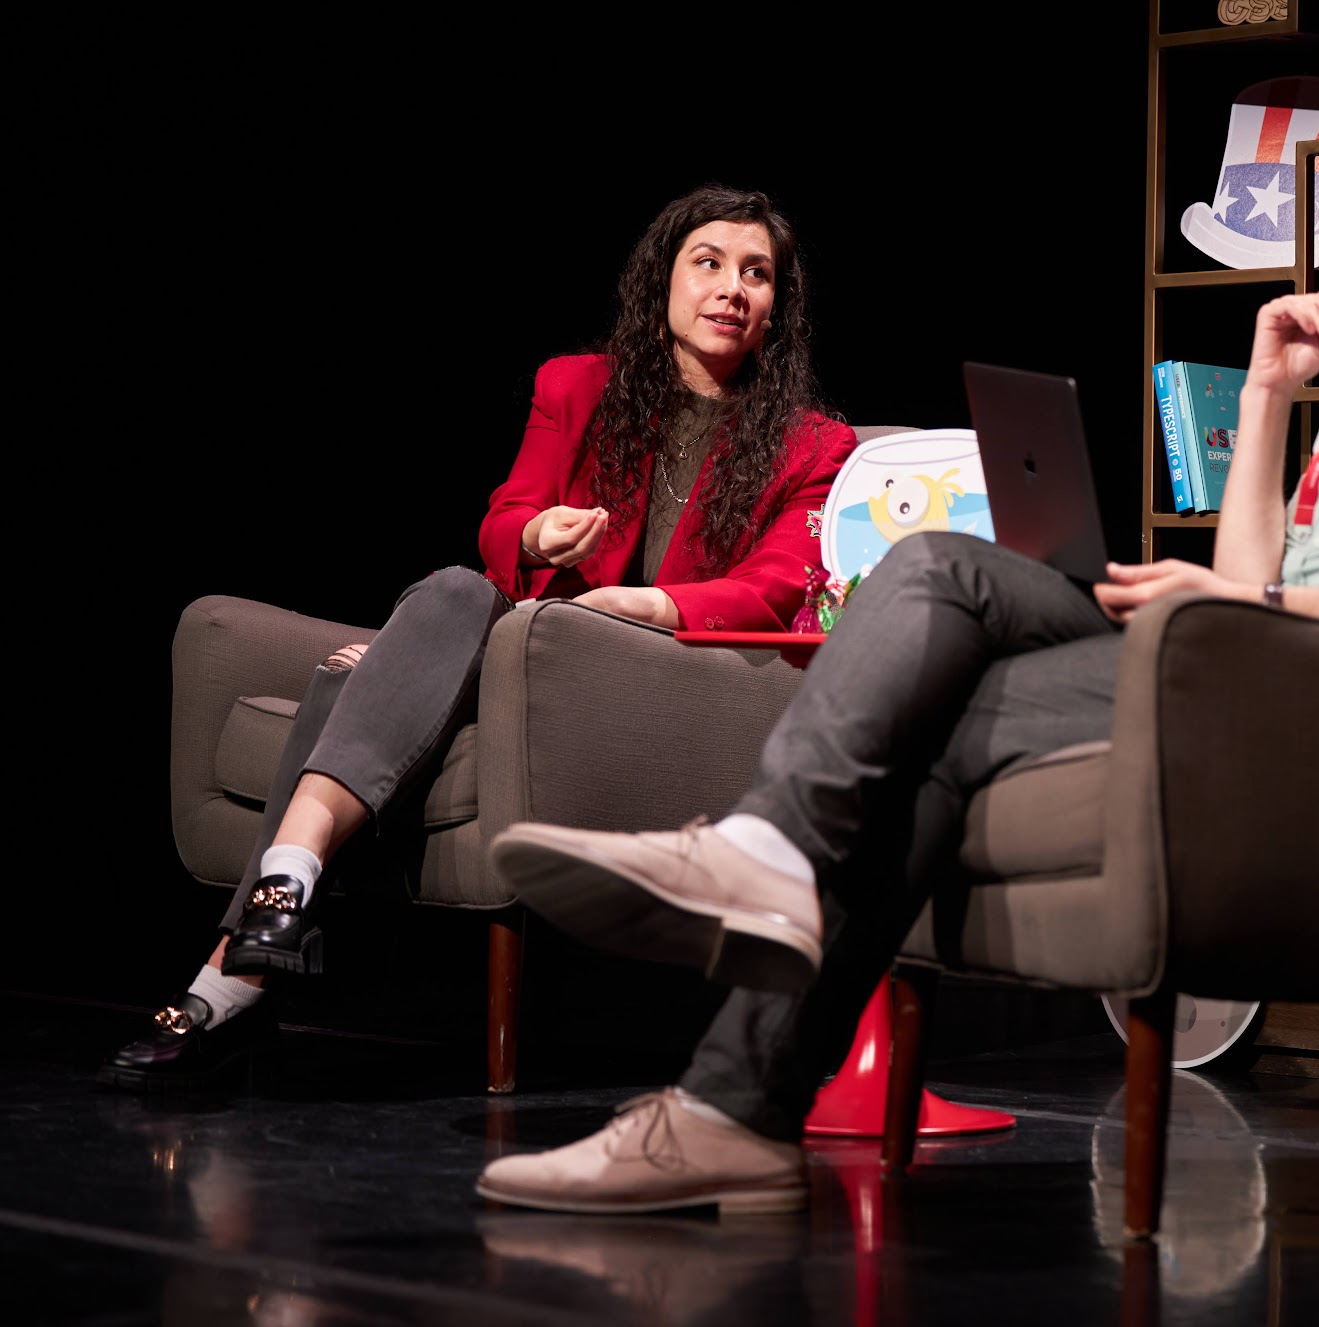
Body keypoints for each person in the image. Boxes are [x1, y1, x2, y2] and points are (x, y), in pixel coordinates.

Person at [470, 106, 1319, 1214]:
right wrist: (1263, 401)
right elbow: (1255, 569)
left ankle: (753, 919)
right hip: (1256, 659)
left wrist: (1253, 603)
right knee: (934, 597)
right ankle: (733, 1102)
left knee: (938, 611)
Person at [100, 184, 859, 1094]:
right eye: (709, 263)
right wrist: (536, 535)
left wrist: (642, 605)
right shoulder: (575, 386)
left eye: (756, 274)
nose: (731, 287)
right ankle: (276, 904)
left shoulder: (816, 445)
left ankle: (231, 976)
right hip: (528, 647)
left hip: (646, 675)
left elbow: (774, 587)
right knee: (457, 591)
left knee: (368, 677)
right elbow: (505, 520)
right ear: (663, 279)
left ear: (776, 309)